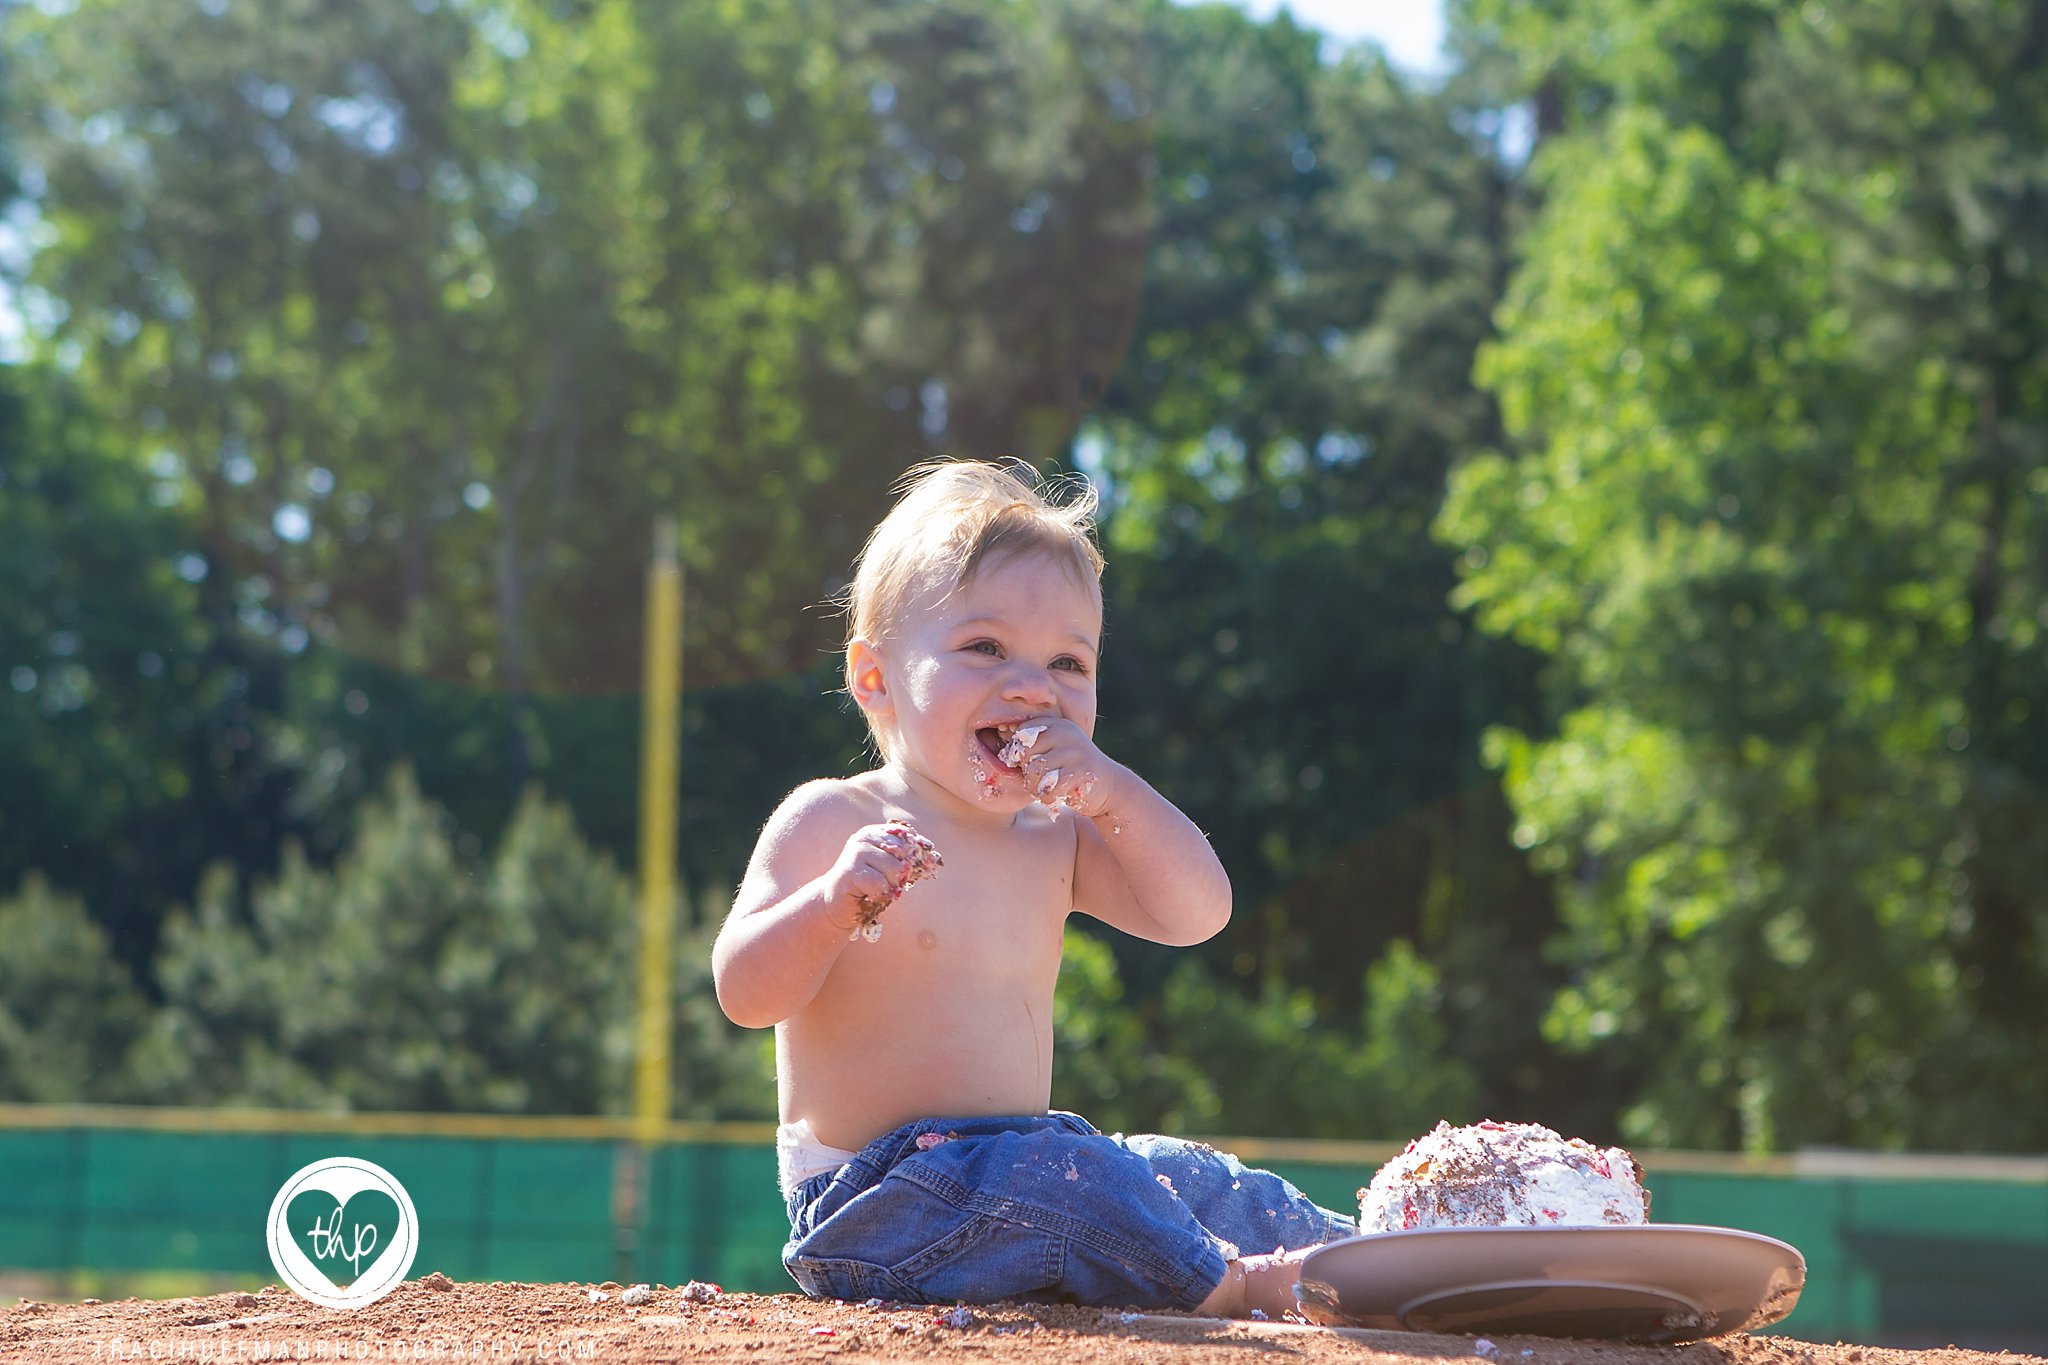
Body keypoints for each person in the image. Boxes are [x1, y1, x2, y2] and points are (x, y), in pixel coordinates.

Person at [712, 459, 1355, 1317]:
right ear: (876, 678)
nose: (1033, 685)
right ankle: (1238, 1285)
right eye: (985, 647)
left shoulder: (1056, 835)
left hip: (1025, 1167)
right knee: (1073, 1174)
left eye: (1069, 662)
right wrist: (832, 904)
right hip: (876, 1206)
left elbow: (1199, 913)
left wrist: (1112, 789)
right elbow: (745, 994)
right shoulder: (835, 821)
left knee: (1182, 1171)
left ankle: (1380, 1255)